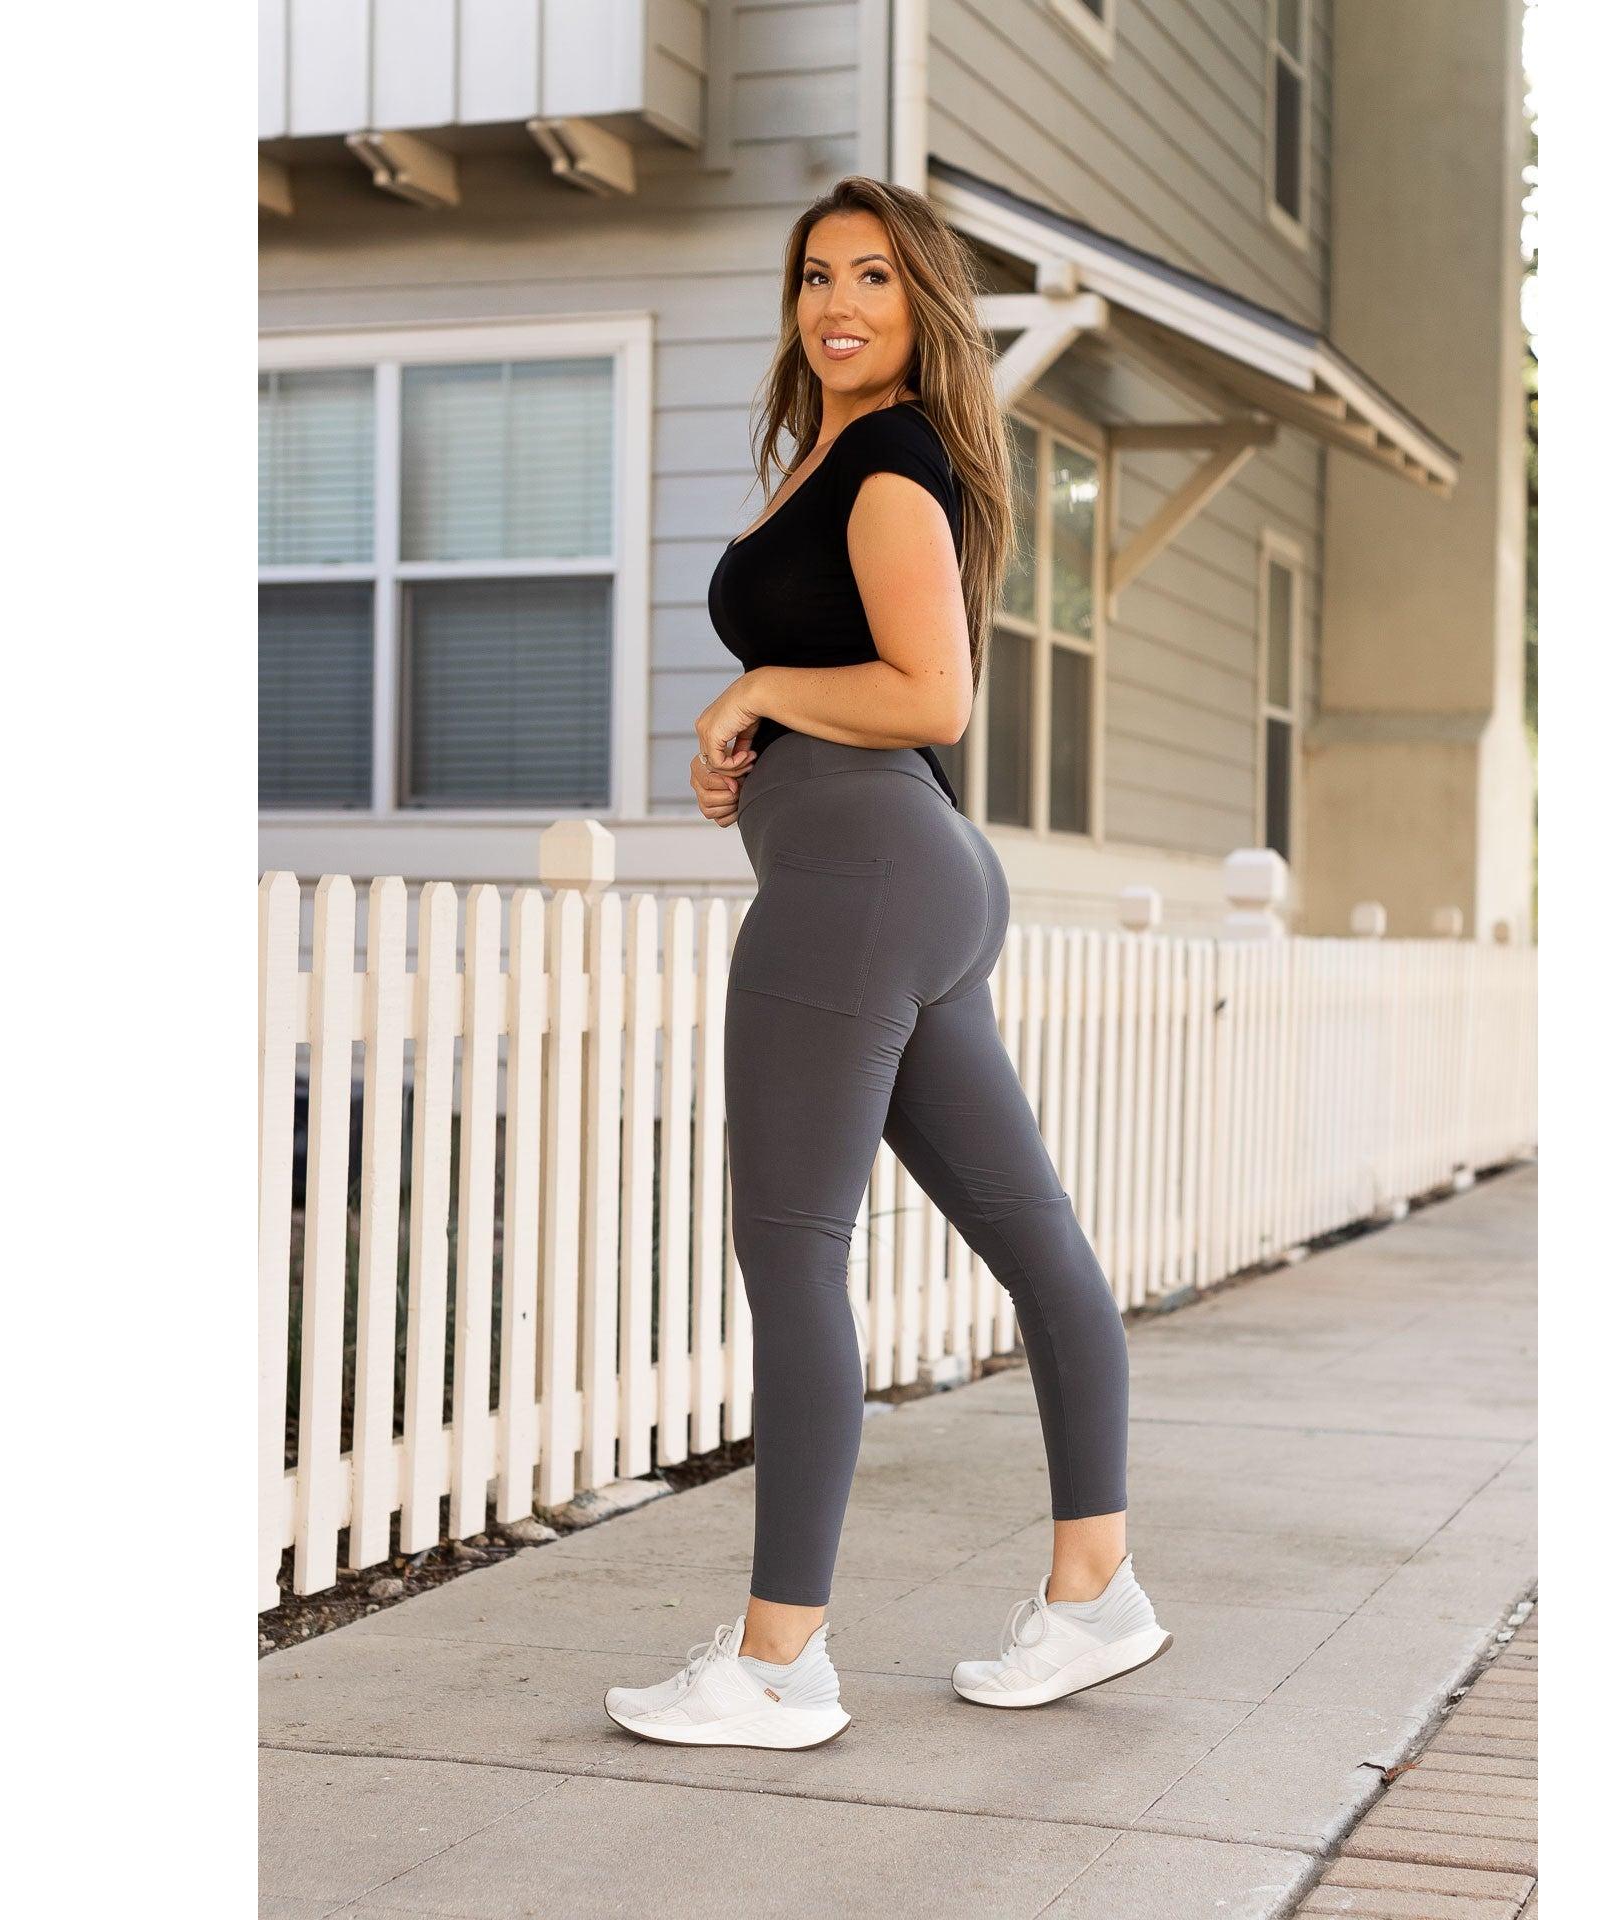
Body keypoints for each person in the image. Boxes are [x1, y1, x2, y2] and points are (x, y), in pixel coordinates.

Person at [603, 177, 1171, 1750]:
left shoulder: (889, 466)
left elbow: (933, 695)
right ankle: (1097, 1593)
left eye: (872, 276)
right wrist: (749, 740)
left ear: (923, 303)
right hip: (900, 872)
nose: (837, 304)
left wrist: (759, 692)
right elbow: (856, 685)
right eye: (815, 276)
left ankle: (781, 1663)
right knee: (1036, 1240)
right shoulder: (836, 457)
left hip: (861, 880)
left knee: (793, 1252)